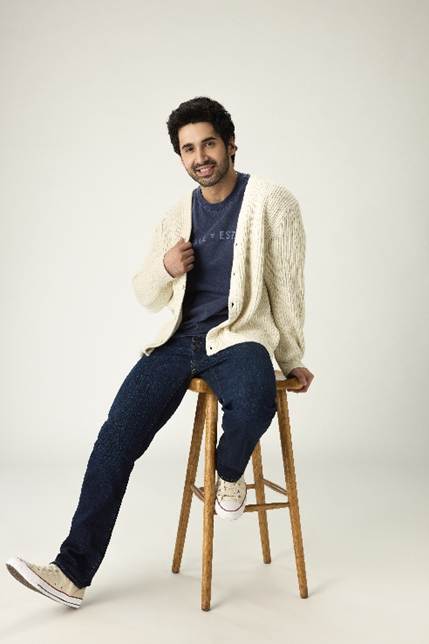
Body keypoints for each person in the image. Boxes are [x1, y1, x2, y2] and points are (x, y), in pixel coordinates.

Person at [5, 96, 314, 609]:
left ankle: (228, 473)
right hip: (176, 344)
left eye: (208, 144)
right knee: (115, 439)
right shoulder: (176, 216)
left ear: (230, 144)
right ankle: (71, 573)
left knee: (256, 402)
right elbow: (146, 294)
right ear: (181, 156)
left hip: (239, 338)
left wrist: (291, 356)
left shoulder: (272, 201)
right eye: (188, 149)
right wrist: (167, 267)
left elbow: (287, 288)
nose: (200, 157)